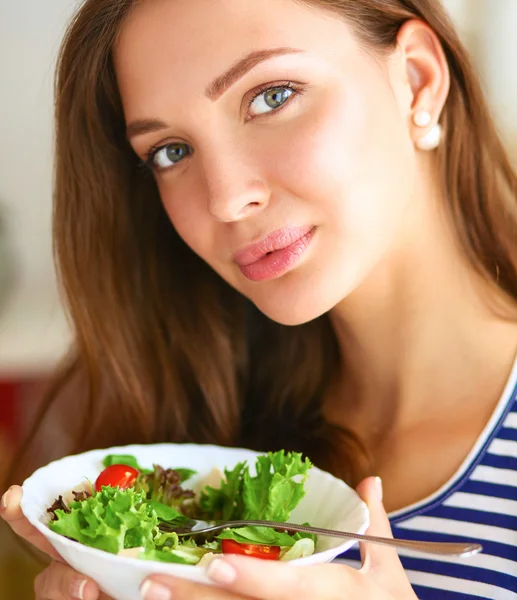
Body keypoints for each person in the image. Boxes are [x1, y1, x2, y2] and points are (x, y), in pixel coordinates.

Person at [2, 0, 517, 598]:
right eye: (171, 151)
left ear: (417, 80)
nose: (224, 198)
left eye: (272, 96)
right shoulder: (196, 438)